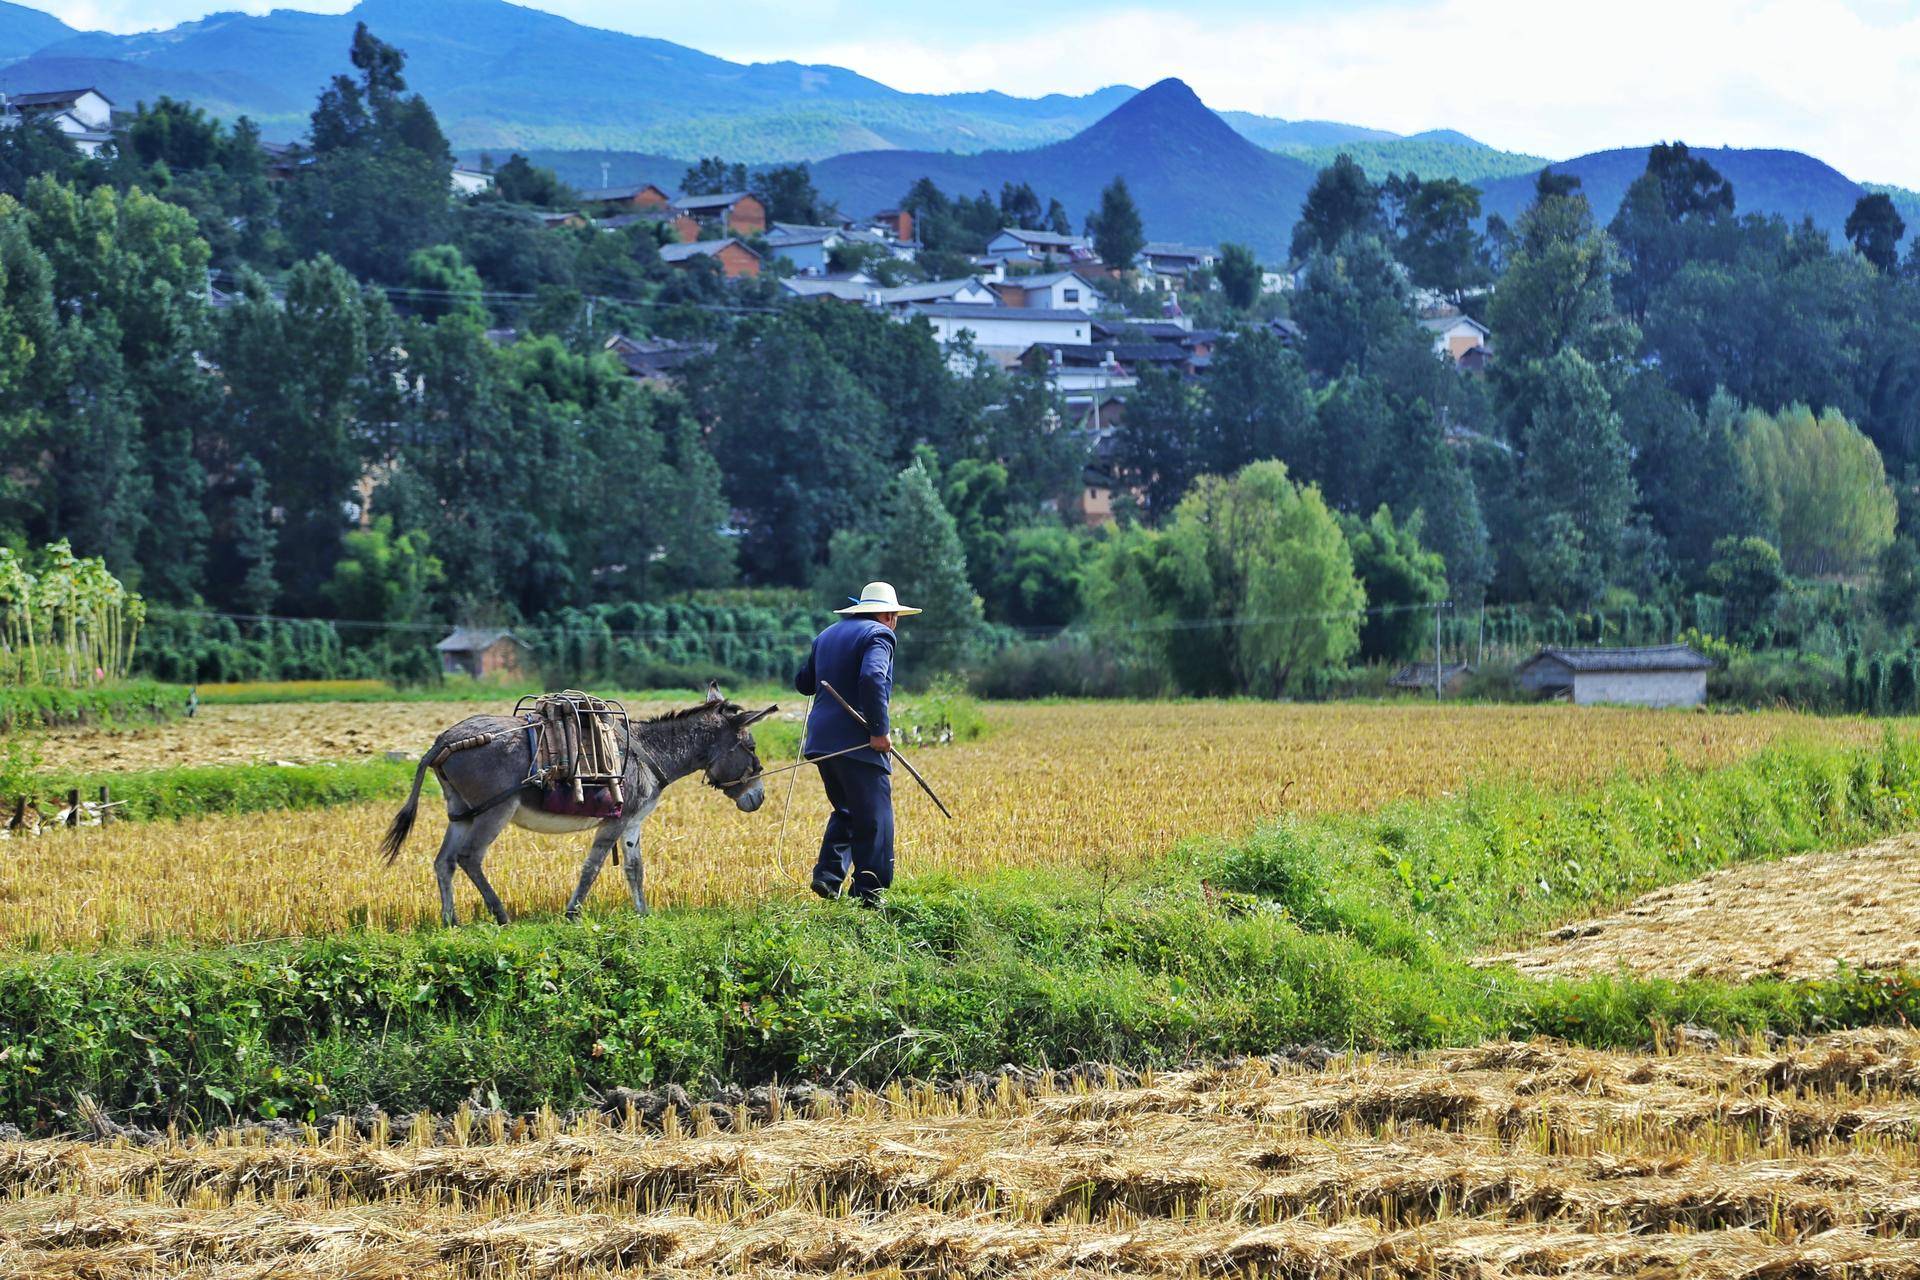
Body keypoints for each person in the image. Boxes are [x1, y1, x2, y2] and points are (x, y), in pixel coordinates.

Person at [794, 581, 920, 906]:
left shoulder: (826, 635)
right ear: (889, 615)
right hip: (857, 742)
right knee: (876, 817)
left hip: (821, 742)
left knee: (848, 810)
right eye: (896, 617)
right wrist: (879, 730)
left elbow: (803, 683)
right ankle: (869, 895)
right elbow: (872, 677)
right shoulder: (880, 635)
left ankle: (828, 876)